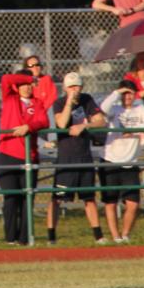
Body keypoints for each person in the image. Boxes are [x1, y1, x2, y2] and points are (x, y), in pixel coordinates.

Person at [45, 72, 106, 245]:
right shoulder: (58, 103)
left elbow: (100, 120)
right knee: (57, 198)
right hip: (66, 157)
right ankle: (51, 236)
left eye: (77, 86)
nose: (74, 90)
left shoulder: (87, 99)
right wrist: (69, 104)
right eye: (71, 87)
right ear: (65, 88)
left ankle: (98, 235)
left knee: (88, 198)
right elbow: (62, 123)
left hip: (84, 155)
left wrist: (84, 125)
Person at [0, 68, 50, 246]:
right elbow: (6, 77)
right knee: (11, 198)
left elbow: (43, 121)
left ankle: (25, 238)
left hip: (29, 156)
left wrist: (29, 127)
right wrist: (30, 76)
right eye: (23, 84)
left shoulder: (38, 103)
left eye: (29, 84)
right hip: (8, 154)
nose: (27, 87)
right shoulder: (10, 98)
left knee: (27, 199)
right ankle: (10, 237)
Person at [100, 80, 144, 244]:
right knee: (110, 202)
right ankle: (115, 236)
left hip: (130, 162)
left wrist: (135, 130)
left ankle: (125, 235)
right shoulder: (115, 109)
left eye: (130, 93)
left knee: (133, 204)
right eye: (125, 93)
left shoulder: (140, 109)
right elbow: (103, 108)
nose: (128, 97)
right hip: (110, 160)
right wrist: (117, 92)